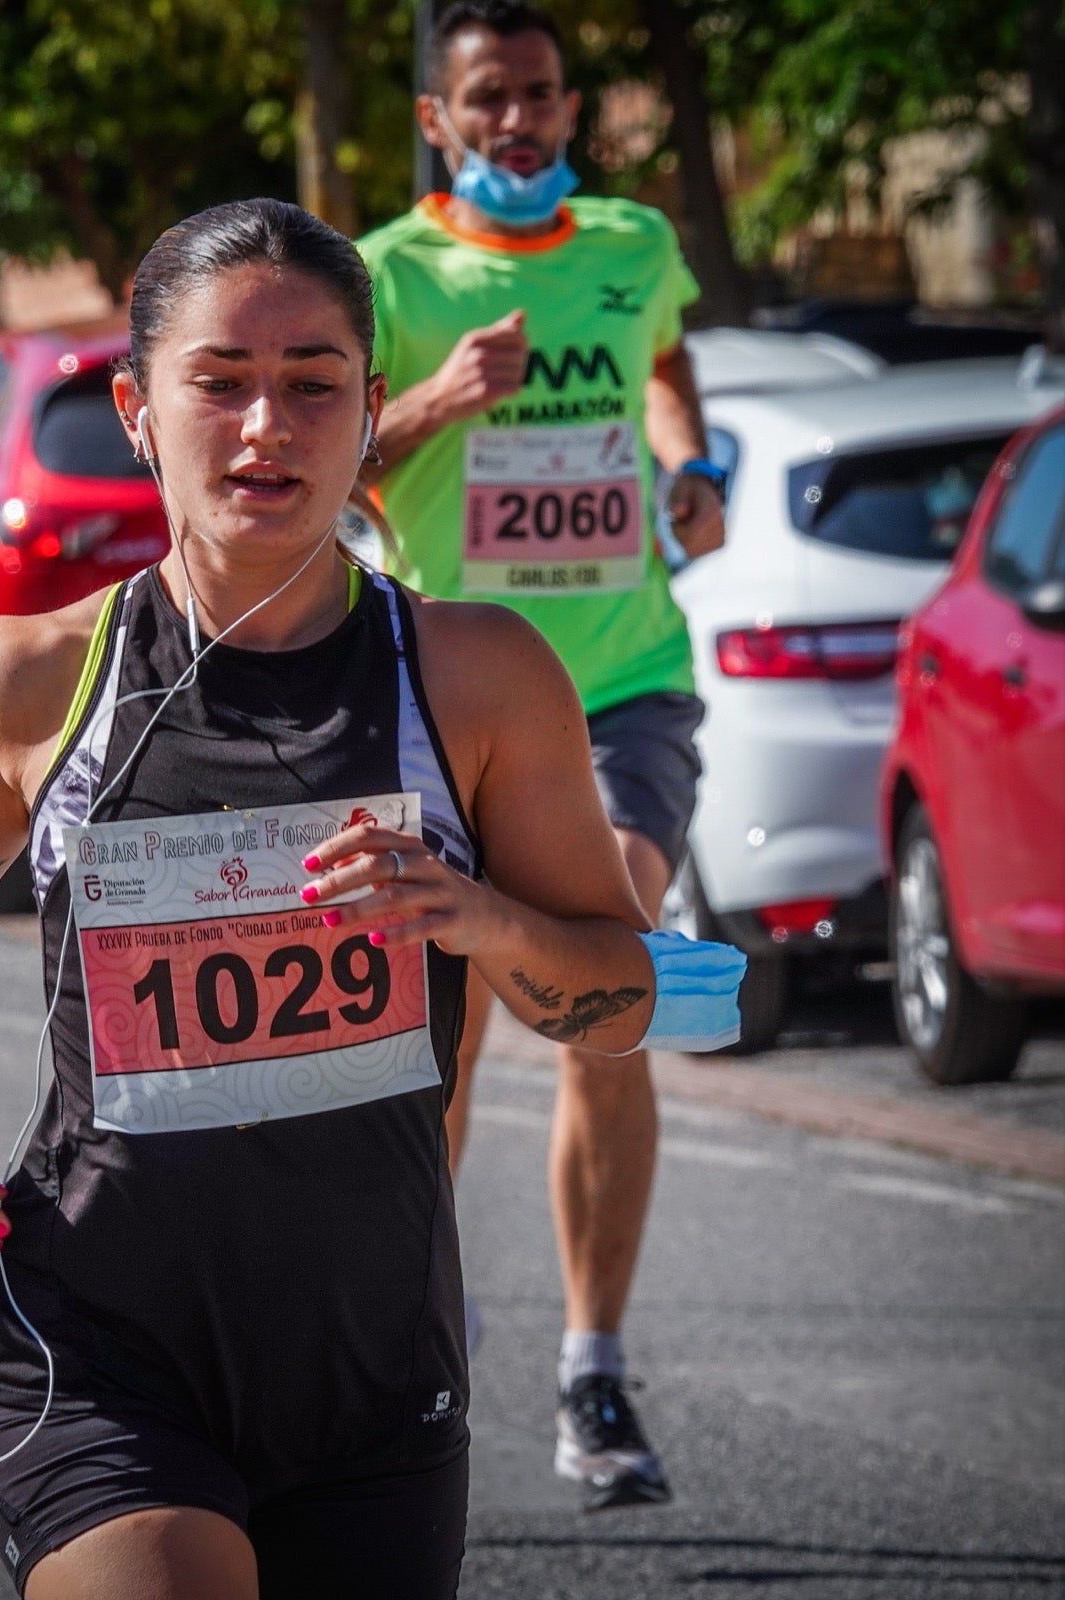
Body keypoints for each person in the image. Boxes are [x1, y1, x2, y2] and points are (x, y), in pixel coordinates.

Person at [0, 198, 727, 1599]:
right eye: (220, 383)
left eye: (313, 386)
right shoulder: (23, 678)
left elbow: (616, 1004)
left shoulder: (477, 678)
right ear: (138, 410)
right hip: (96, 1348)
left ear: (372, 410)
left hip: (373, 1369)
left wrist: (478, 920)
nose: (266, 428)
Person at [356, 0, 728, 1512]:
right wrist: (440, 401)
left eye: (545, 97)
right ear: (438, 122)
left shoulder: (631, 240)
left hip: (623, 687)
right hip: (445, 706)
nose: (523, 122)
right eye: (491, 100)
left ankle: (591, 1369)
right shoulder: (384, 275)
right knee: (437, 1055)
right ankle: (421, 1332)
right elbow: (325, 457)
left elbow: (664, 367)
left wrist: (689, 464)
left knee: (602, 981)